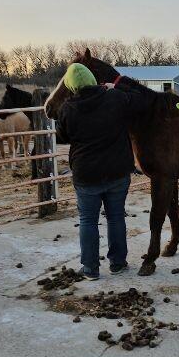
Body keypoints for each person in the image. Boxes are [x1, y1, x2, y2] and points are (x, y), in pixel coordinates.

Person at [56, 63, 149, 280]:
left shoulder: (68, 109)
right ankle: (117, 263)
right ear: (93, 80)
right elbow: (139, 99)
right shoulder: (115, 99)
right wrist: (116, 87)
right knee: (116, 217)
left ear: (71, 87)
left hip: (86, 175)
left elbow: (63, 136)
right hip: (117, 172)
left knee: (88, 220)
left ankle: (90, 269)